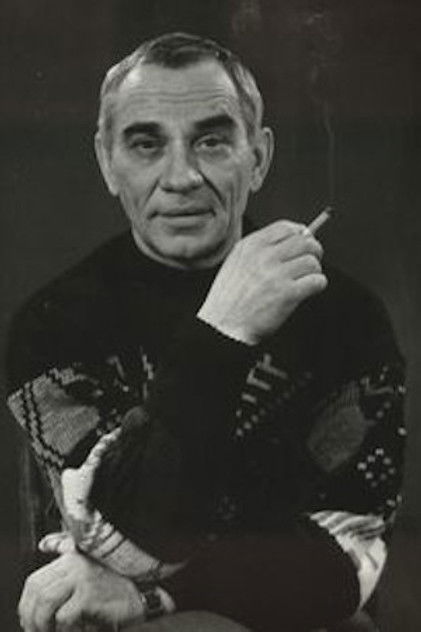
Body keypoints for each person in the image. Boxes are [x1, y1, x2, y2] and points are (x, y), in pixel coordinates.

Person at [6, 33, 406, 632]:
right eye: (146, 144)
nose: (182, 177)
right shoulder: (53, 321)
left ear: (259, 158)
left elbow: (349, 565)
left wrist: (154, 592)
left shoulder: (348, 318)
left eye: (212, 141)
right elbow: (129, 537)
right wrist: (225, 328)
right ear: (107, 162)